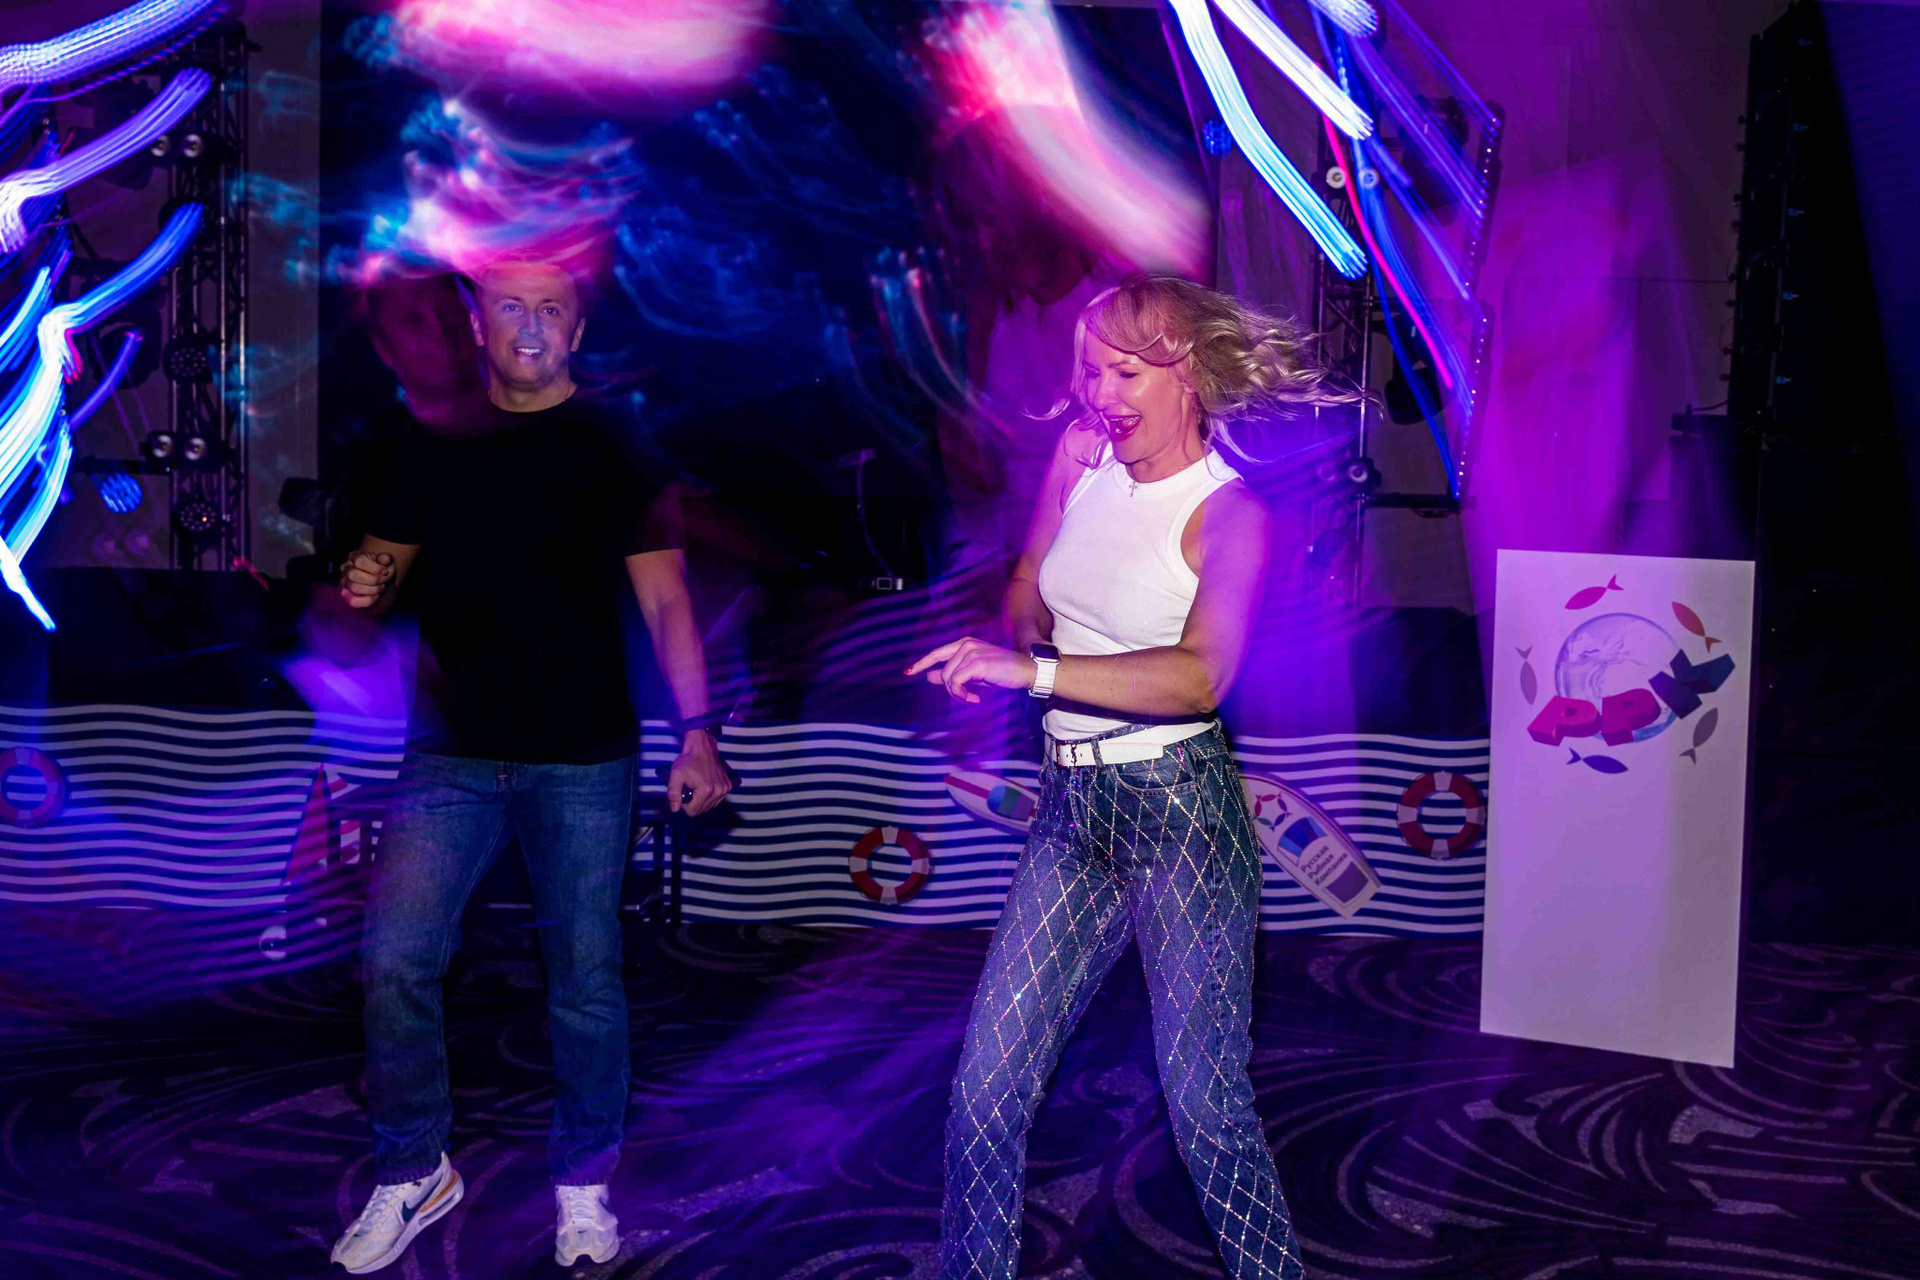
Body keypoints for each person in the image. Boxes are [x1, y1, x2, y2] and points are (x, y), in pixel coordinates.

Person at [906, 275, 1350, 1280]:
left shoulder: (1229, 514)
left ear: (1189, 373)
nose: (1101, 393)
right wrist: (1017, 639)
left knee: (1206, 1109)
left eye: (1127, 373)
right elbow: (1033, 583)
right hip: (1070, 809)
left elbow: (1201, 678)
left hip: (1179, 814)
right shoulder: (1081, 455)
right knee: (985, 1089)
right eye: (1092, 370)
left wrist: (1035, 671)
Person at [328, 256, 732, 1274]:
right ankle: (412, 1167)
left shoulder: (616, 444)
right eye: (512, 304)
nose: (533, 322)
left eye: (553, 307)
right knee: (395, 961)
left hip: (584, 759)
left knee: (584, 980)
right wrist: (362, 580)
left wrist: (696, 730)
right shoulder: (428, 441)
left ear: (578, 332)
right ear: (479, 324)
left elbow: (668, 601)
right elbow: (376, 574)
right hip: (449, 758)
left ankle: (584, 1184)